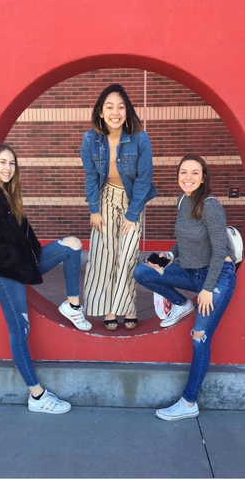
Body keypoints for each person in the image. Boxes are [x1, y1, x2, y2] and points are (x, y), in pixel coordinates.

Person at [0, 143, 92, 414]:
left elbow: (24, 236)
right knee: (21, 331)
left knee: (72, 245)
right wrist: (16, 260)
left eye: (12, 163)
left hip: (24, 264)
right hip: (5, 274)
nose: (7, 168)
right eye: (2, 162)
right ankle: (37, 396)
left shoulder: (7, 194)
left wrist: (31, 256)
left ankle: (73, 306)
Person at [133, 154, 236, 420]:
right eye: (183, 172)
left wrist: (207, 289)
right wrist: (169, 255)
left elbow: (219, 251)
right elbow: (185, 241)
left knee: (199, 337)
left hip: (217, 277)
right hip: (191, 271)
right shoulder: (182, 201)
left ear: (203, 177)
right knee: (144, 271)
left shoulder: (211, 206)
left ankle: (189, 402)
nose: (187, 177)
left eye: (194, 173)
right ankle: (181, 303)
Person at [80, 83, 157, 331]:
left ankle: (128, 307)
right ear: (100, 112)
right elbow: (91, 177)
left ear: (127, 111)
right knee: (104, 256)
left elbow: (145, 179)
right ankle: (109, 310)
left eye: (121, 107)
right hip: (104, 200)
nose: (116, 112)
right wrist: (94, 210)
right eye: (110, 107)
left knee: (127, 257)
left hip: (133, 200)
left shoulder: (140, 138)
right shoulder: (90, 139)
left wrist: (133, 215)